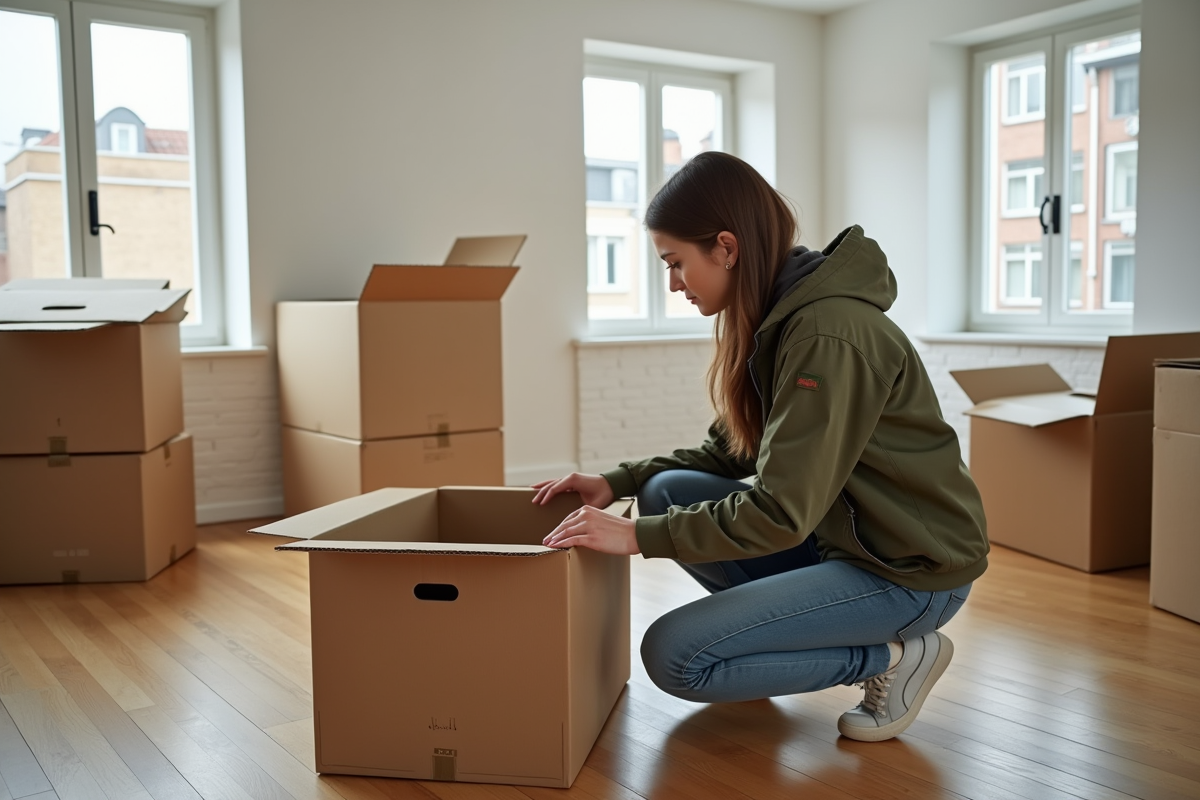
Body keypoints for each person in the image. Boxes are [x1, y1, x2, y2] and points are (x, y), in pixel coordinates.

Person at [532, 151, 988, 742]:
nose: (673, 284)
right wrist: (617, 481)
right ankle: (772, 637)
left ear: (725, 247)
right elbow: (728, 454)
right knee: (664, 490)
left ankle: (895, 658)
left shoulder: (827, 335)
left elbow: (779, 512)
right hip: (844, 545)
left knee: (674, 656)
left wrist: (635, 538)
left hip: (909, 572)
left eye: (675, 263)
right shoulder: (779, 320)